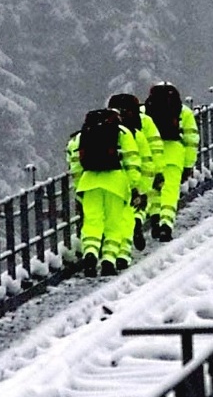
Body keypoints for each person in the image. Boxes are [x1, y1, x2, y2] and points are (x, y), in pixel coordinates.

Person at [66, 108, 142, 277]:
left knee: (92, 223)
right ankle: (108, 260)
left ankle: (90, 255)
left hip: (89, 183)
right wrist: (134, 187)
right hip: (116, 183)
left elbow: (75, 166)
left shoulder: (80, 137)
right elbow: (132, 162)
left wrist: (80, 190)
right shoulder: (123, 133)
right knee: (113, 225)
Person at [142, 82, 200, 242]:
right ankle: (166, 224)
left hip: (152, 155)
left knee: (153, 189)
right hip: (174, 155)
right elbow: (192, 140)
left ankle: (155, 218)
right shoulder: (184, 112)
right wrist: (188, 165)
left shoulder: (144, 111)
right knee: (170, 192)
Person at [107, 93, 159, 266]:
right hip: (138, 170)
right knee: (138, 206)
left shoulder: (110, 128)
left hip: (114, 175)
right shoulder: (141, 127)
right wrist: (156, 173)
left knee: (117, 216)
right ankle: (125, 249)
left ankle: (109, 252)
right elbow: (152, 151)